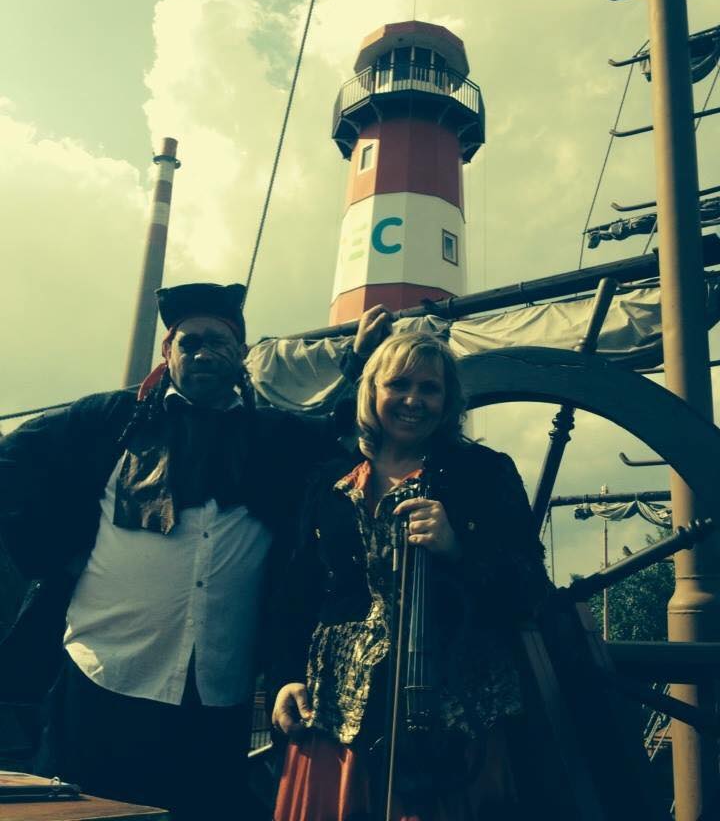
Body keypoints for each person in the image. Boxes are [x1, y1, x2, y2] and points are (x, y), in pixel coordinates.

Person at [0, 283, 390, 819]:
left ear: (241, 353)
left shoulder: (273, 437)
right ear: (168, 352)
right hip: (107, 674)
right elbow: (12, 460)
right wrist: (49, 551)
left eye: (218, 343)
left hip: (216, 689)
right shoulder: (108, 420)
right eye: (190, 343)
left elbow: (338, 436)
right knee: (89, 813)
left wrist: (360, 362)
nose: (203, 354)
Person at [271, 331, 550, 821]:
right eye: (398, 385)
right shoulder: (327, 479)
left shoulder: (484, 473)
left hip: (452, 712)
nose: (412, 400)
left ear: (448, 400)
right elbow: (299, 590)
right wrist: (287, 676)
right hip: (338, 705)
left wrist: (457, 547)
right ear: (372, 391)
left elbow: (528, 585)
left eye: (429, 388)